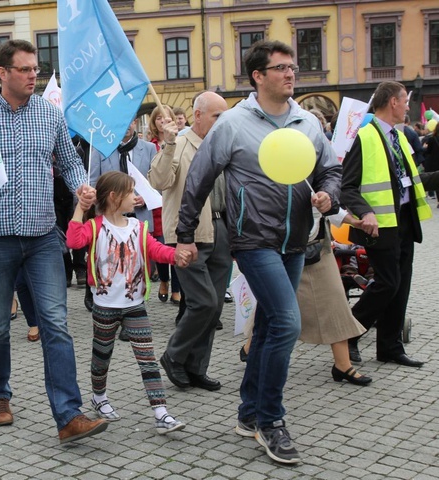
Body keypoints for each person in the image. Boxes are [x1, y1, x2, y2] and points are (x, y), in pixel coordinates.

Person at [0, 39, 107, 444]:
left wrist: (83, 186)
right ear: (4, 73)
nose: (34, 76)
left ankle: (68, 414)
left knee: (56, 324)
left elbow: (69, 160)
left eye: (36, 69)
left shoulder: (50, 114)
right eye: (25, 70)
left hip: (44, 236)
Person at [176, 40, 341, 464]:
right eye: (281, 68)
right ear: (258, 76)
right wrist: (184, 234)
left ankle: (249, 413)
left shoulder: (307, 122)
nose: (291, 74)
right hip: (252, 240)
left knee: (270, 328)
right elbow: (197, 180)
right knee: (287, 323)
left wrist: (327, 194)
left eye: (293, 67)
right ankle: (271, 420)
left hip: (297, 241)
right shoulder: (232, 123)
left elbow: (330, 169)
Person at [67, 171, 189, 435]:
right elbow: (73, 241)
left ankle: (161, 413)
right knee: (102, 356)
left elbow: (156, 250)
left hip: (135, 305)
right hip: (105, 305)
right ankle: (98, 397)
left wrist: (176, 255)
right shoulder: (95, 227)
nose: (136, 197)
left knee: (147, 359)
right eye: (131, 192)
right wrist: (81, 207)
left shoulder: (138, 227)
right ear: (114, 196)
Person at [341, 81, 431, 368]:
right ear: (393, 102)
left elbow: (414, 181)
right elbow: (347, 186)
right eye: (405, 100)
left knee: (401, 285)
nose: (407, 105)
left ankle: (390, 347)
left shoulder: (400, 137)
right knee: (387, 283)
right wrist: (365, 212)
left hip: (404, 221)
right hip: (378, 225)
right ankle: (349, 335)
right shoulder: (364, 136)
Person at [149, 91, 232, 391]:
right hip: (189, 235)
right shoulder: (179, 144)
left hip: (221, 230)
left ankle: (196, 368)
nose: (223, 122)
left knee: (215, 308)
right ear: (198, 116)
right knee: (203, 303)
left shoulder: (223, 145)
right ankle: (174, 355)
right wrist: (168, 143)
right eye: (216, 116)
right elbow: (158, 181)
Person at [239, 209, 373, 387]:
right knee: (276, 302)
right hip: (285, 246)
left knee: (335, 302)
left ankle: (342, 364)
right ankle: (250, 348)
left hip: (316, 247)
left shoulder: (317, 182)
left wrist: (351, 219)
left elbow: (329, 204)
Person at [88, 117, 155, 341]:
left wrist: (144, 198)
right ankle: (107, 313)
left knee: (136, 267)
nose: (125, 125)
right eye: (121, 121)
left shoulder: (149, 148)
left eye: (130, 121)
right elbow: (93, 183)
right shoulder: (100, 148)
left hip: (139, 217)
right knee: (112, 268)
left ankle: (132, 316)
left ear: (136, 123)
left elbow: (155, 183)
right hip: (109, 220)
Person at [146, 105, 180, 305]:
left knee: (174, 242)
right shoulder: (149, 145)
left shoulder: (179, 140)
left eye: (166, 117)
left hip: (172, 198)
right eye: (158, 118)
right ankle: (164, 280)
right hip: (155, 201)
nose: (162, 121)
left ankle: (176, 287)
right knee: (159, 241)